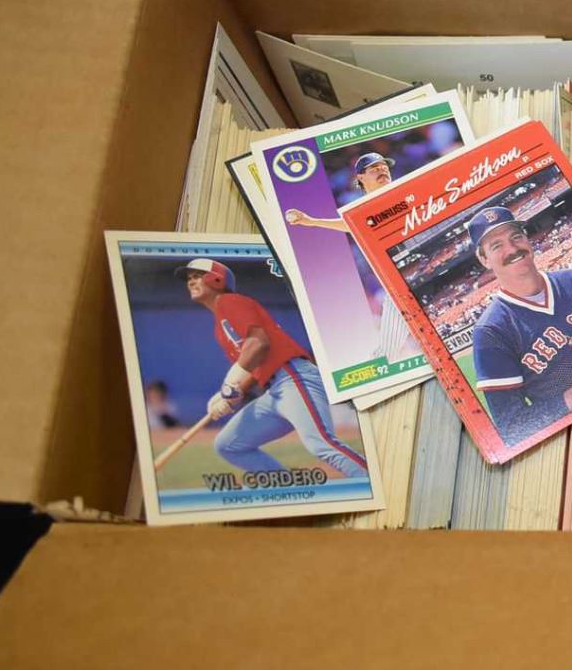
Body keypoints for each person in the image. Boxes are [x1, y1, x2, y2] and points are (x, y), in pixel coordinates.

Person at [178, 258, 367, 479]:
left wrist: (229, 384)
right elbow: (250, 369)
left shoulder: (230, 301)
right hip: (273, 391)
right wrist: (227, 397)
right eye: (189, 278)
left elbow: (258, 344)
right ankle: (289, 488)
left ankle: (374, 482)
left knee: (321, 444)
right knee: (228, 445)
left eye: (197, 276)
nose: (190, 282)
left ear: (216, 279)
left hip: (293, 378)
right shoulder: (220, 325)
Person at [467, 206, 572, 445]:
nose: (513, 249)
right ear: (484, 259)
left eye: (516, 237)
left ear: (527, 238)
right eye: (497, 246)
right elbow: (513, 428)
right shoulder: (490, 331)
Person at [281, 151, 419, 364]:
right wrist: (311, 221)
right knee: (392, 336)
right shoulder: (361, 209)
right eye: (375, 169)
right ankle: (384, 362)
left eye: (384, 167)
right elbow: (352, 225)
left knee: (395, 336)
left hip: (420, 258)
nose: (382, 170)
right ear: (361, 178)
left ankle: (385, 360)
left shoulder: (404, 191)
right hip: (398, 273)